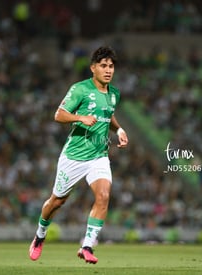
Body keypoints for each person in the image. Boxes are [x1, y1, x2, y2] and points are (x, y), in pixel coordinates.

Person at [28, 46, 128, 264]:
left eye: (111, 66)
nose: (108, 70)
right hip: (74, 156)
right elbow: (59, 115)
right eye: (103, 66)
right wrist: (80, 118)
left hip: (99, 155)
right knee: (57, 201)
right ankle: (40, 235)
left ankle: (87, 246)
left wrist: (118, 130)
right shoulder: (80, 89)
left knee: (103, 195)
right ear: (93, 68)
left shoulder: (114, 94)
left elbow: (108, 115)